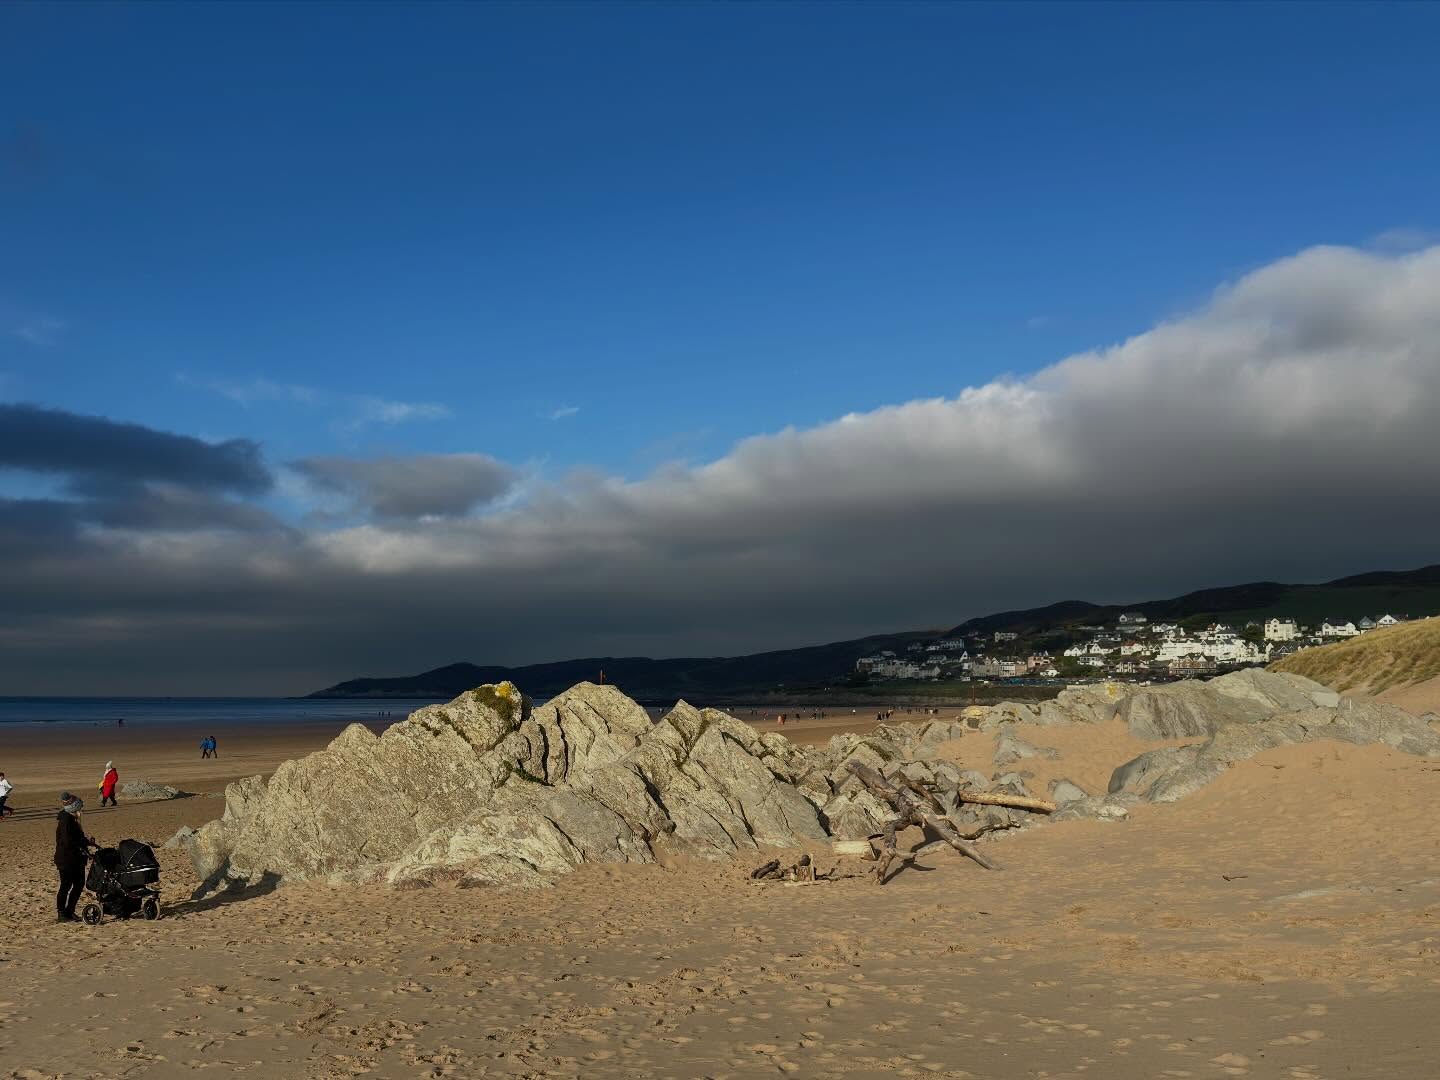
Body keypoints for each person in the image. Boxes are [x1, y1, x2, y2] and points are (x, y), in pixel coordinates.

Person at [55, 793, 95, 922]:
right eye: (79, 807)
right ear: (74, 808)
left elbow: (76, 838)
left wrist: (88, 842)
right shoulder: (66, 820)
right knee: (65, 886)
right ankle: (62, 914)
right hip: (67, 860)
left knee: (78, 885)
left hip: (75, 859)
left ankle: (69, 911)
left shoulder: (72, 820)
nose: (81, 810)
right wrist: (83, 843)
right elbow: (68, 841)